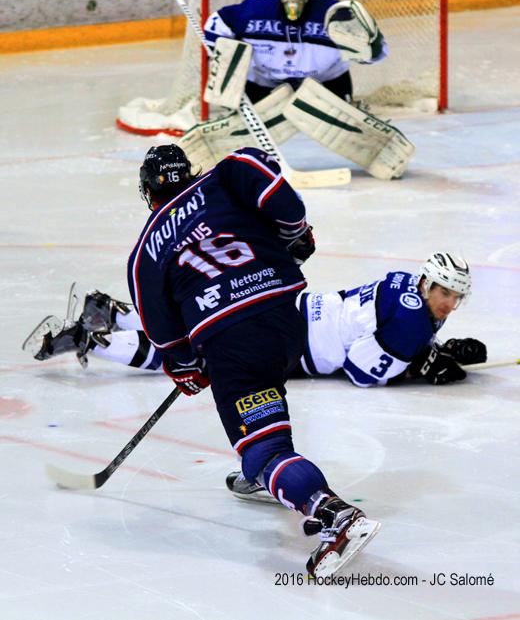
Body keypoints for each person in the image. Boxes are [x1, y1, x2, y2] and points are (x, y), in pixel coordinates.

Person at [68, 142, 379, 578]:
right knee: (265, 389)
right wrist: (293, 235)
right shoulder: (226, 175)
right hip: (288, 322)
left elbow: (163, 332)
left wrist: (186, 367)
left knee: (260, 448)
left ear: (146, 192)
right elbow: (273, 190)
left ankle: (331, 512)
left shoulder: (145, 254)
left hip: (234, 340)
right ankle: (271, 476)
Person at [26, 253, 487, 390]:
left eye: (455, 297)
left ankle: (113, 314)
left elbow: (373, 323)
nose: (448, 304)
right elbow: (362, 372)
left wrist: (425, 352)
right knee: (199, 361)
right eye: (444, 293)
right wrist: (416, 366)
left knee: (206, 328)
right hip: (292, 347)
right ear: (428, 285)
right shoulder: (414, 322)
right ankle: (99, 341)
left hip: (298, 308)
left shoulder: (406, 282)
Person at [204, 0, 387, 104]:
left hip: (325, 83)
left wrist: (371, 48)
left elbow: (374, 55)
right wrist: (219, 56)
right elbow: (218, 21)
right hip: (264, 83)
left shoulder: (335, 13)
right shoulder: (255, 9)